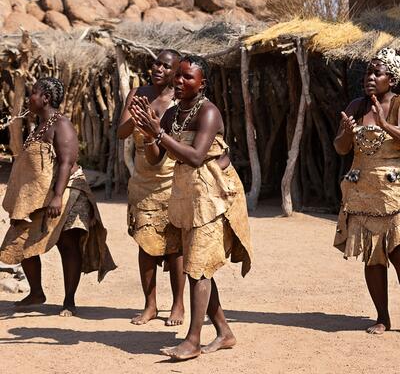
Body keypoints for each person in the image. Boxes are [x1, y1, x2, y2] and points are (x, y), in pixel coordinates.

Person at [130, 55, 253, 360]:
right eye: (179, 76)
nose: (180, 81)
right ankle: (224, 332)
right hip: (186, 195)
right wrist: (150, 135)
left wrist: (159, 133)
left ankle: (193, 340)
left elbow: (197, 156)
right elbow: (158, 159)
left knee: (198, 268)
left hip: (212, 196)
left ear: (202, 83)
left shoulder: (208, 112)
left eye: (188, 77)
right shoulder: (173, 115)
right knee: (200, 267)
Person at [0, 77, 116, 316]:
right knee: (22, 241)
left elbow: (66, 162)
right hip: (39, 196)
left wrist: (57, 196)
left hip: (67, 193)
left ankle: (69, 301)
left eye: (33, 93)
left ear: (46, 98)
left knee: (67, 244)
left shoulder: (61, 125)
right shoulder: (38, 126)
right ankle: (36, 292)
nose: (29, 97)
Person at [334, 48, 400, 335]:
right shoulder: (356, 106)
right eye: (368, 72)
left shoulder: (398, 104)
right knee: (373, 257)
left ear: (392, 78)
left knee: (399, 253)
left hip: (395, 189)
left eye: (378, 73)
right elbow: (340, 148)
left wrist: (385, 124)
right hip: (362, 190)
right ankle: (383, 317)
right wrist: (348, 131)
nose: (370, 78)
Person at [117, 50, 186, 326]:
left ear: (175, 70)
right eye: (156, 62)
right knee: (145, 246)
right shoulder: (137, 93)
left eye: (166, 66)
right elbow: (121, 133)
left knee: (175, 248)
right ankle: (150, 305)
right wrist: (138, 118)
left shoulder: (179, 99)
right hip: (143, 183)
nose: (158, 68)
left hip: (172, 181)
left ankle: (178, 305)